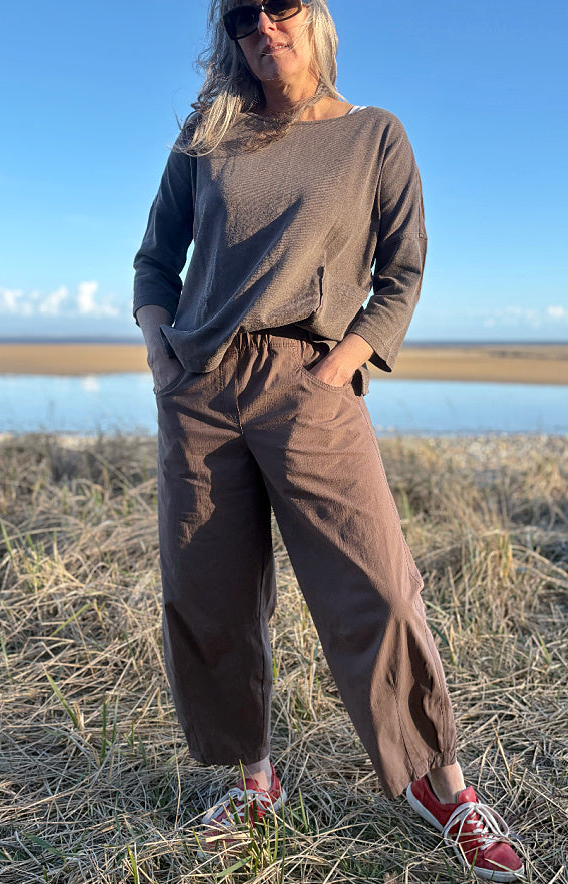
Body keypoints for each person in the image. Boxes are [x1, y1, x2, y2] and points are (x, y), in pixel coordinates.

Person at [133, 1, 525, 879]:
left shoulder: (374, 135)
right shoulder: (210, 133)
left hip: (309, 381)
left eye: (281, 5)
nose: (262, 25)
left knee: (378, 586)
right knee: (210, 595)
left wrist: (342, 359)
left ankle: (442, 786)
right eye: (241, 15)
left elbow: (404, 267)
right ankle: (252, 778)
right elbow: (155, 257)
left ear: (317, 18)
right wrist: (160, 345)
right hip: (201, 388)